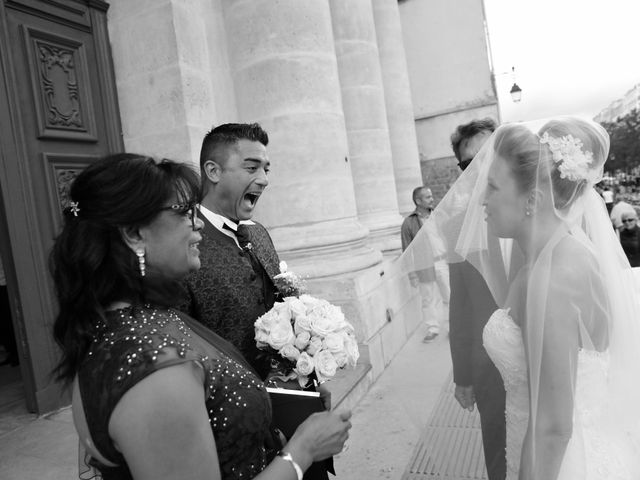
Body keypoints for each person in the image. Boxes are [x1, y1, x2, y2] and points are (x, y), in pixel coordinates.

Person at [50, 153, 351, 480]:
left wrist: (284, 403)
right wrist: (304, 449)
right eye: (183, 212)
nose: (197, 223)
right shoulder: (153, 373)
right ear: (134, 233)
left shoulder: (151, 318)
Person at [431, 117, 640, 479]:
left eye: (493, 187)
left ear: (532, 198)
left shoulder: (555, 275)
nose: (483, 195)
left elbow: (553, 428)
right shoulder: (544, 260)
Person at [180, 123, 279, 381]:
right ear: (213, 171)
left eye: (266, 169)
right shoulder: (183, 246)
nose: (264, 180)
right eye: (251, 167)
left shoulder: (259, 233)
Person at [447, 118, 507, 480]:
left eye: (489, 156)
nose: (481, 170)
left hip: (546, 360)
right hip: (490, 370)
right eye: (470, 164)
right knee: (499, 458)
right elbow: (461, 307)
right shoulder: (457, 224)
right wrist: (463, 377)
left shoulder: (545, 207)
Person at [401, 187, 449, 342]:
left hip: (443, 261)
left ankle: (452, 327)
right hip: (424, 265)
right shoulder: (408, 223)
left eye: (431, 195)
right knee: (427, 299)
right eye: (428, 197)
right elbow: (406, 251)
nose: (432, 199)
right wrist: (411, 274)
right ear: (418, 201)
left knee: (449, 296)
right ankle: (432, 328)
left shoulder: (439, 215)